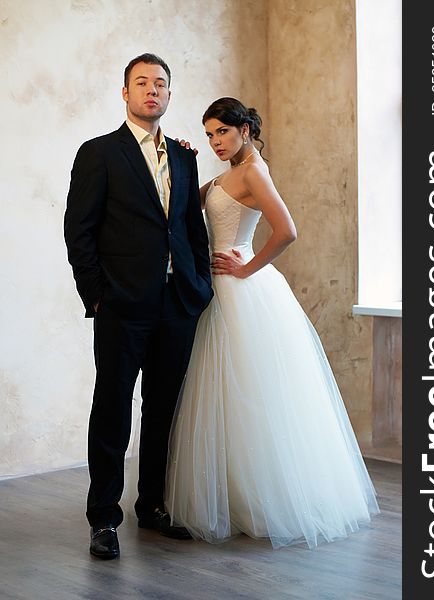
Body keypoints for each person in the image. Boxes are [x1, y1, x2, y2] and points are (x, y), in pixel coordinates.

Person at [165, 97, 380, 549]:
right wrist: (182, 158)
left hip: (241, 287)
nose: (214, 141)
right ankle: (231, 494)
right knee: (226, 392)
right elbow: (185, 205)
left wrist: (246, 268)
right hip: (217, 287)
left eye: (222, 131)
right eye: (208, 134)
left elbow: (287, 231)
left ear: (245, 129)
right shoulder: (229, 173)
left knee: (251, 393)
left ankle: (261, 499)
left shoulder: (253, 172)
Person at [64, 53, 213, 559]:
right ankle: (104, 518)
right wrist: (98, 295)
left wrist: (200, 286)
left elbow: (193, 227)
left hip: (177, 303)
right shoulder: (99, 153)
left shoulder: (186, 156)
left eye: (161, 84)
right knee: (111, 408)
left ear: (170, 96)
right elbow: (78, 231)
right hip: (122, 305)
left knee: (163, 408)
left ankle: (151, 506)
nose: (153, 90)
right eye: (142, 83)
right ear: (124, 93)